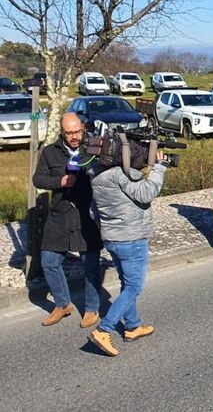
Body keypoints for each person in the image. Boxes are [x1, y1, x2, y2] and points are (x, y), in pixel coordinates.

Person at [86, 141, 172, 357]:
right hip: (132, 238)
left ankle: (133, 326)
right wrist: (159, 167)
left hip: (112, 238)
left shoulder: (95, 174)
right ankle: (104, 330)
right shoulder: (121, 174)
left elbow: (93, 211)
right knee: (135, 286)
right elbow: (146, 193)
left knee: (127, 283)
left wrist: (107, 229)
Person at [32, 113, 103, 328]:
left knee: (90, 265)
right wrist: (60, 181)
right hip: (60, 214)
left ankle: (92, 309)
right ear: (62, 132)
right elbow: (38, 179)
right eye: (69, 133)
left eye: (77, 131)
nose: (74, 136)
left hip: (86, 214)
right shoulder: (51, 152)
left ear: (83, 128)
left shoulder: (93, 148)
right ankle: (63, 304)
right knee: (49, 261)